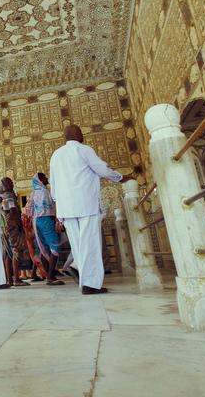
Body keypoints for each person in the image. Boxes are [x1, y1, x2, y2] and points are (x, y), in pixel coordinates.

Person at [49, 124, 133, 295]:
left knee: (79, 245)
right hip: (85, 202)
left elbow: (54, 187)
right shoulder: (83, 149)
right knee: (91, 243)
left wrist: (59, 214)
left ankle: (79, 271)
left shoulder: (56, 155)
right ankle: (91, 284)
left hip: (67, 207)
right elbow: (102, 169)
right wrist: (121, 178)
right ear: (78, 134)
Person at [28, 172, 65, 285]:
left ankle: (50, 275)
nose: (47, 178)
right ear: (40, 180)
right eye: (44, 177)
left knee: (43, 248)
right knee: (56, 245)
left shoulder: (33, 193)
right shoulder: (45, 192)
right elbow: (51, 209)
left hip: (36, 221)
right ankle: (50, 275)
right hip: (46, 219)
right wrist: (57, 221)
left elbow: (30, 211)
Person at [0, 177, 31, 286]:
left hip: (3, 226)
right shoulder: (9, 195)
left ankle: (9, 279)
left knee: (7, 252)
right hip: (12, 225)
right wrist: (20, 225)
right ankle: (16, 278)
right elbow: (12, 211)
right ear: (7, 186)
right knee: (16, 250)